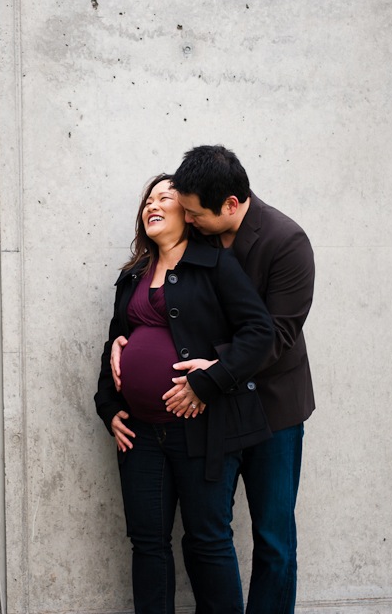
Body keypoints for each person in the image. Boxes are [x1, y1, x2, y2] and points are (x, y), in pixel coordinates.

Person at [112, 148, 315, 613]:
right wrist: (126, 344)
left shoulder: (286, 242)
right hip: (206, 413)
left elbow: (274, 334)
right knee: (205, 535)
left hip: (270, 408)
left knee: (273, 540)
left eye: (193, 212)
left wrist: (213, 369)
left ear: (228, 205)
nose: (187, 217)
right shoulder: (189, 243)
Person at [95, 174, 274, 614]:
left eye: (166, 198)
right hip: (139, 436)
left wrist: (209, 381)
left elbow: (259, 333)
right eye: (148, 200)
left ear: (188, 215)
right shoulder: (133, 275)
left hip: (201, 429)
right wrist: (110, 406)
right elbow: (116, 342)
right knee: (148, 544)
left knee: (208, 540)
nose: (153, 205)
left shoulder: (215, 266)